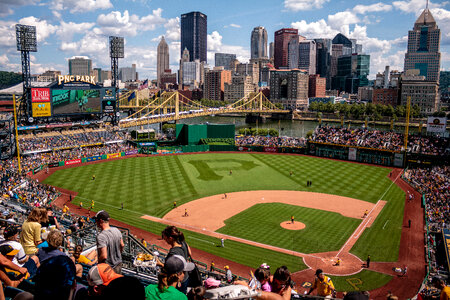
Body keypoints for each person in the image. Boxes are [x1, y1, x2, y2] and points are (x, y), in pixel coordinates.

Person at [157, 226, 192, 293]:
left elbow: (171, 268)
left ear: (170, 238)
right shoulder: (182, 242)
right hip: (185, 276)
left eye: (165, 238)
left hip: (178, 280)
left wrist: (160, 264)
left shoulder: (173, 252)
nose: (164, 239)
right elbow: (189, 253)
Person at [95, 210, 124, 274]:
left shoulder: (101, 236)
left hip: (108, 268)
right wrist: (118, 255)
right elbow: (122, 245)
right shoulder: (117, 230)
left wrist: (98, 263)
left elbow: (104, 256)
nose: (96, 222)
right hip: (119, 264)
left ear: (101, 221)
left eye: (96, 220)